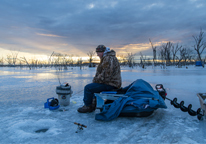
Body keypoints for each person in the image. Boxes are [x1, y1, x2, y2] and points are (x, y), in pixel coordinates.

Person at [77, 45, 122, 113]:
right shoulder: (107, 58)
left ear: (103, 52)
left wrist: (96, 80)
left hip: (111, 84)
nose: (97, 54)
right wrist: (96, 81)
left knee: (88, 88)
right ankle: (93, 105)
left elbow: (106, 76)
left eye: (98, 52)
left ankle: (88, 106)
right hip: (111, 83)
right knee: (94, 86)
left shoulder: (108, 58)